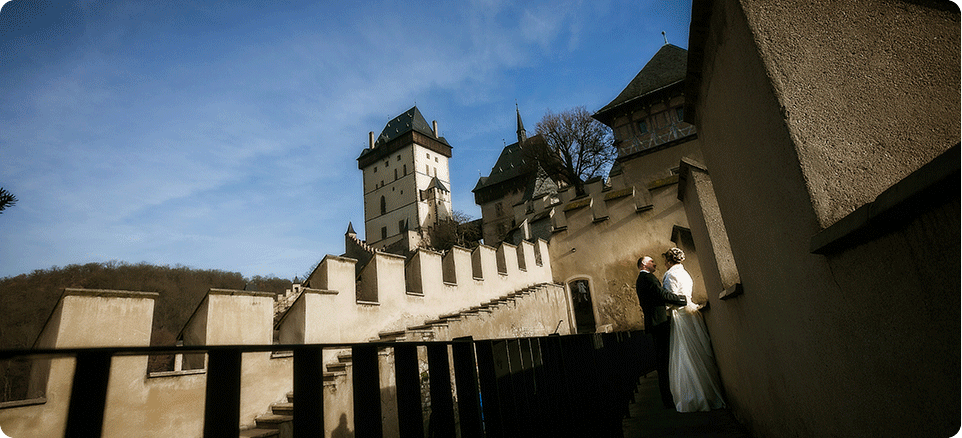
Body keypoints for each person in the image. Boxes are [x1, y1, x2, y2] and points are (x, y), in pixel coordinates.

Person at [661, 247, 726, 412]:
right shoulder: (685, 273)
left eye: (665, 261)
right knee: (697, 349)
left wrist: (665, 308)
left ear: (668, 261)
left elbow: (671, 298)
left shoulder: (670, 274)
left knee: (684, 351)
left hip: (680, 314)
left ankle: (692, 395)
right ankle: (707, 391)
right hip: (691, 312)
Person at [635, 255, 687, 409]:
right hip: (658, 323)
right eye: (651, 261)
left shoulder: (643, 279)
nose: (655, 264)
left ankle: (668, 397)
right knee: (664, 361)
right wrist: (682, 300)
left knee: (663, 359)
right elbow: (661, 294)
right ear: (644, 264)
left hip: (655, 323)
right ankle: (668, 399)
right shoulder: (647, 278)